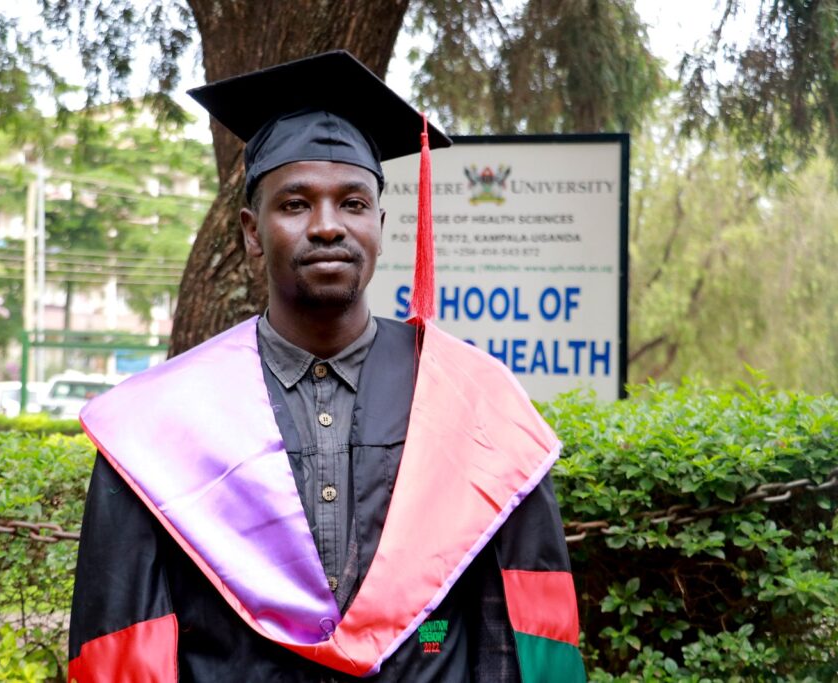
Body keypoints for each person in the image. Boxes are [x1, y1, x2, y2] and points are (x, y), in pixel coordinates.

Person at [68, 51, 584, 682]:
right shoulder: (161, 424)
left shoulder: (474, 401)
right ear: (251, 233)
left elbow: (518, 630)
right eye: (295, 204)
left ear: (382, 225)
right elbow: (127, 641)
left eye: (353, 203)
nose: (328, 227)